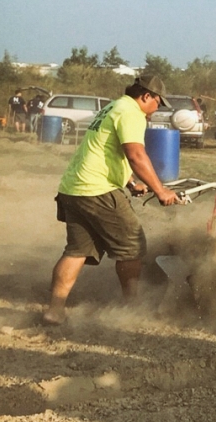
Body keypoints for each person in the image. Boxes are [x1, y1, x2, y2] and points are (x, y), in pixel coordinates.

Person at [44, 76, 181, 326]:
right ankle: (132, 307)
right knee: (132, 244)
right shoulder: (131, 112)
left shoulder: (113, 106)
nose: (156, 109)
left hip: (73, 189)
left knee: (76, 251)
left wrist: (130, 183)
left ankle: (55, 310)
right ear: (147, 96)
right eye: (158, 103)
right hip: (97, 190)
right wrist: (160, 191)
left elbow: (107, 150)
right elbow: (136, 154)